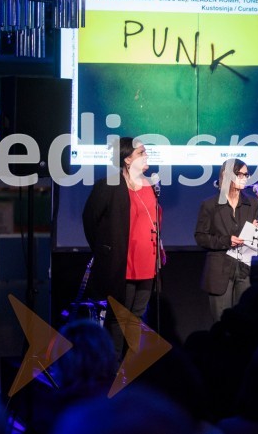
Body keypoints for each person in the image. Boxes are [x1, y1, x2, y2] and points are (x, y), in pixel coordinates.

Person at [82, 137, 165, 358]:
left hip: (147, 261)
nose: (146, 155)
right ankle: (114, 366)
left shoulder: (150, 186)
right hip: (122, 262)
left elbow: (154, 222)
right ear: (128, 159)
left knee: (137, 317)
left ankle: (133, 366)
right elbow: (90, 219)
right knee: (119, 317)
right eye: (141, 152)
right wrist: (104, 249)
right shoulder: (109, 184)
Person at [194, 159, 258, 323]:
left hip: (244, 269)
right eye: (240, 174)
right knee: (222, 322)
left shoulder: (251, 204)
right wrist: (226, 241)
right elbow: (200, 236)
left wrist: (256, 231)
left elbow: (254, 239)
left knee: (244, 321)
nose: (245, 178)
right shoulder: (210, 205)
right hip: (220, 270)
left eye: (246, 174)